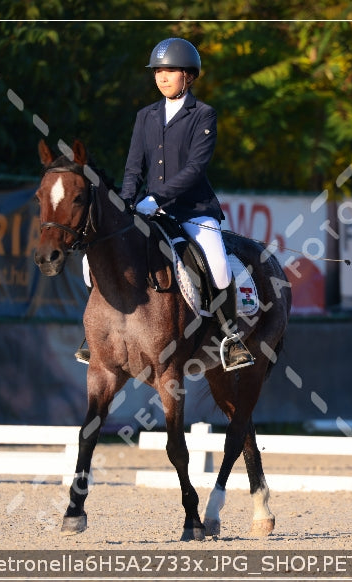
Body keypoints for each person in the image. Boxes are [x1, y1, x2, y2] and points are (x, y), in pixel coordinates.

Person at [118, 37, 254, 371]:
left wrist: (156, 199)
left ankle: (230, 336)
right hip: (150, 211)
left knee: (218, 264)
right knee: (105, 258)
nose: (161, 77)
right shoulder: (145, 116)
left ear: (188, 76)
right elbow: (134, 167)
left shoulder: (204, 115)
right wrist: (125, 203)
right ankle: (100, 335)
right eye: (158, 72)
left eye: (169, 71)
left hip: (193, 210)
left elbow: (195, 169)